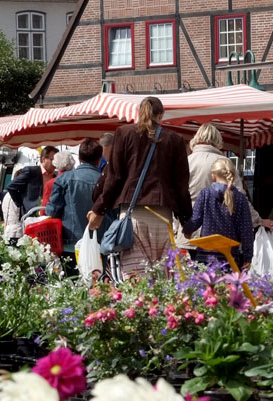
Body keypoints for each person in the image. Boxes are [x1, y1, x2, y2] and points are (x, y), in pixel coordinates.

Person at [88, 96, 191, 276]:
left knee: (135, 278)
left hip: (132, 215)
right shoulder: (175, 139)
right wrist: (186, 221)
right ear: (161, 115)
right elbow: (181, 185)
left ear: (139, 113)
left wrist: (99, 210)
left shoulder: (124, 133)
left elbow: (114, 176)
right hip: (163, 217)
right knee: (162, 279)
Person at [185, 124, 271, 232]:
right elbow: (239, 197)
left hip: (188, 229)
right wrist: (258, 221)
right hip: (218, 231)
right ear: (218, 140)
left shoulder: (186, 162)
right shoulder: (225, 163)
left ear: (196, 139)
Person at [182, 158, 254, 267]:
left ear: (213, 176)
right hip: (230, 255)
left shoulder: (205, 194)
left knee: (205, 283)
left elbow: (195, 220)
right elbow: (246, 230)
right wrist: (248, 256)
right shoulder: (240, 198)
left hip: (206, 253)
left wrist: (186, 230)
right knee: (229, 284)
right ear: (233, 176)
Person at [47, 139, 105, 274]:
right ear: (99, 159)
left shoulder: (64, 179)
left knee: (72, 288)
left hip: (70, 246)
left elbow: (52, 211)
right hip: (100, 246)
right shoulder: (106, 181)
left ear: (79, 158)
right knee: (99, 290)